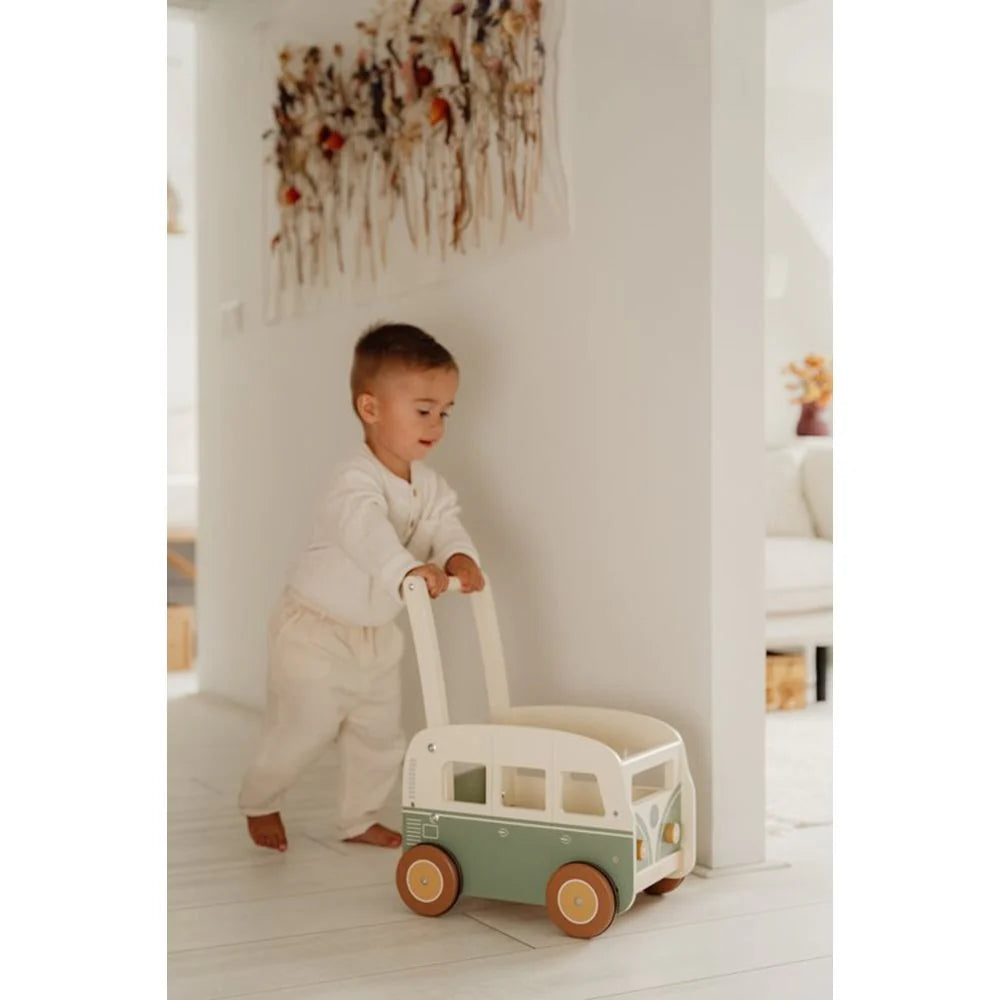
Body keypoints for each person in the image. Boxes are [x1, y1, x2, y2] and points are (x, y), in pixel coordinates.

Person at [238, 323, 485, 851]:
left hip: (377, 635)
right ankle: (261, 799)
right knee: (303, 728)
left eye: (445, 412)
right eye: (424, 410)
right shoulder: (353, 480)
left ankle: (359, 817)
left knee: (381, 735)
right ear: (370, 408)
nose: (437, 425)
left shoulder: (430, 485)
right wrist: (408, 571)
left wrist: (458, 557)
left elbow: (446, 523)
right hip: (315, 632)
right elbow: (365, 533)